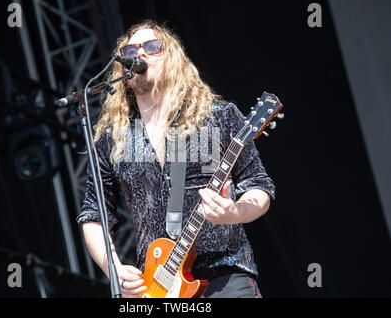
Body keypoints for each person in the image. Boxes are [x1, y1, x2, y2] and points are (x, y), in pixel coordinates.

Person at [77, 19, 275, 298]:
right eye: (131, 51)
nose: (140, 54)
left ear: (172, 60)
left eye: (152, 47)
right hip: (159, 285)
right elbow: (93, 215)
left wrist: (234, 212)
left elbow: (259, 186)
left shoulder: (217, 116)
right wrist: (114, 269)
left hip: (225, 274)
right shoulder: (114, 138)